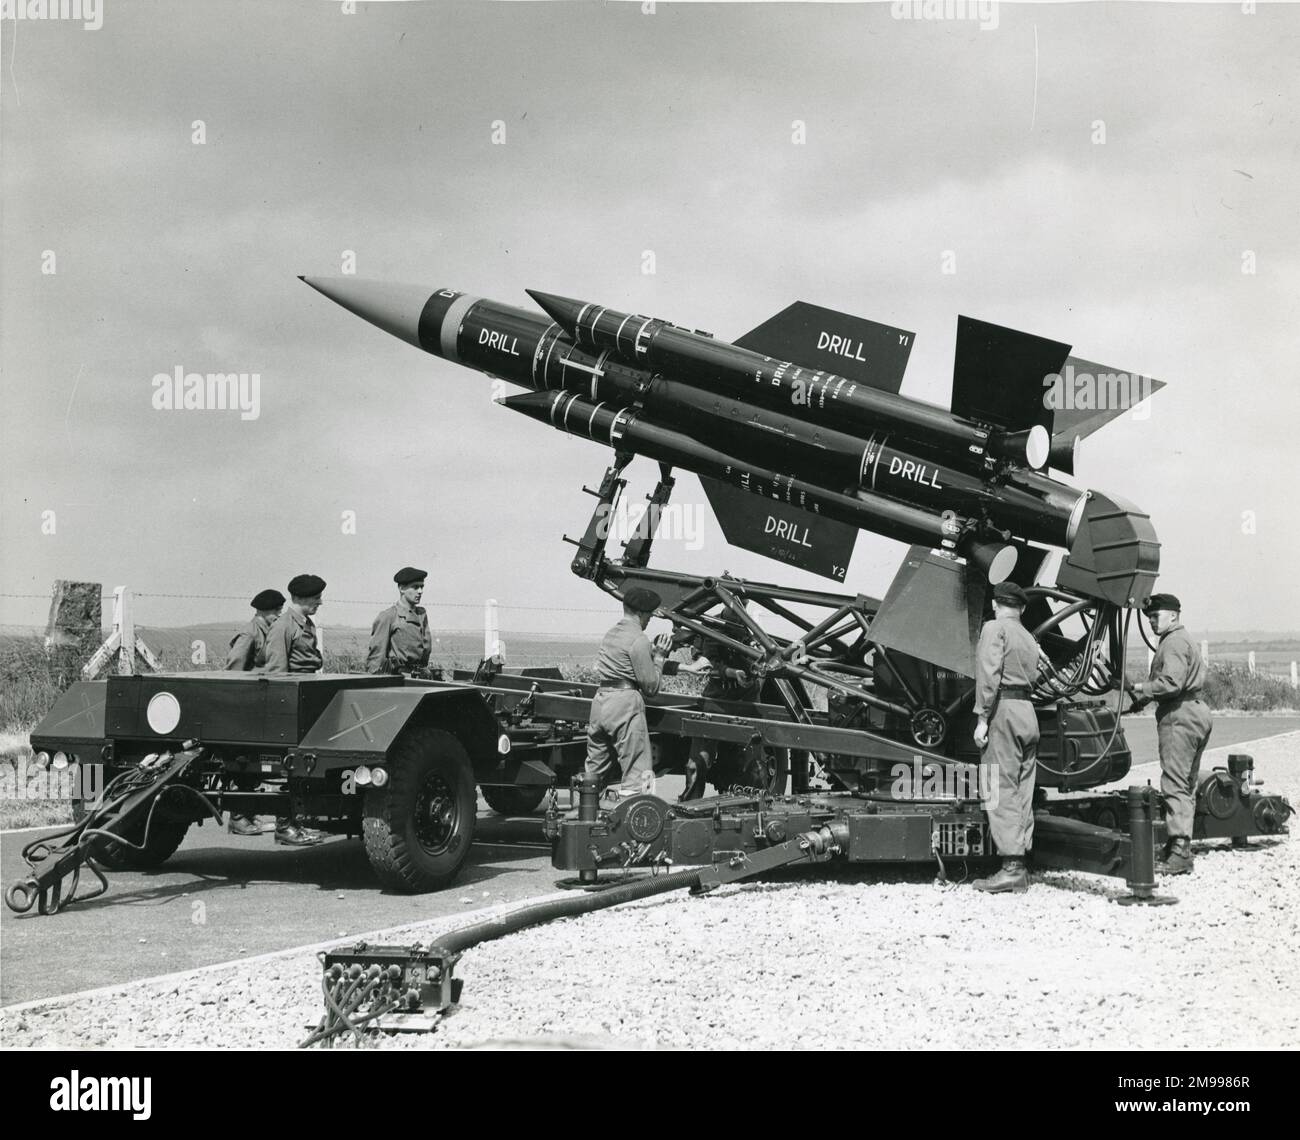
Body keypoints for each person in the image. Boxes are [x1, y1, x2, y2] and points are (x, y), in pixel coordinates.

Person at [1127, 592, 1211, 875]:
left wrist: (1138, 688)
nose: (1151, 621)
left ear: (1173, 616)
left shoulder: (1173, 642)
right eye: (1149, 617)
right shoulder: (1181, 638)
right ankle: (1180, 844)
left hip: (1179, 715)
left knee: (1175, 781)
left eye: (1155, 616)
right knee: (1187, 782)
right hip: (1195, 710)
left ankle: (1179, 852)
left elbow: (1171, 684)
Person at [971, 580, 1041, 894]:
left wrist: (982, 718)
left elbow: (989, 674)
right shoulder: (1028, 636)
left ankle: (1011, 867)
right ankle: (1021, 861)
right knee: (1023, 788)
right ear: (1022, 608)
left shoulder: (994, 628)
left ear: (996, 605)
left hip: (1004, 710)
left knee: (997, 783)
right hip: (1028, 711)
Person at [584, 587, 671, 800]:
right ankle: (637, 819)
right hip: (625, 703)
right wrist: (659, 657)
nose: (650, 619)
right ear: (641, 613)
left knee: (595, 769)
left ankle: (586, 815)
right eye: (649, 615)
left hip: (601, 702)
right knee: (638, 769)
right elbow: (651, 687)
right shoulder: (638, 639)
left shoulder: (612, 634)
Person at [263, 574, 327, 845]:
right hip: (291, 704)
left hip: (308, 699)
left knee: (306, 771)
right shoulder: (283, 627)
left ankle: (299, 824)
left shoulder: (305, 624)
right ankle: (285, 826)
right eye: (315, 598)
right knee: (290, 770)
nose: (320, 602)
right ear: (300, 598)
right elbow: (277, 673)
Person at [674, 617, 767, 799]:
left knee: (753, 763)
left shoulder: (750, 626)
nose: (742, 603)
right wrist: (732, 673)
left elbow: (763, 661)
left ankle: (753, 807)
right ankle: (690, 805)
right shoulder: (713, 627)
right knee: (698, 760)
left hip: (746, 698)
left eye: (745, 600)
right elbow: (707, 664)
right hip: (718, 698)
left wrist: (757, 669)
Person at [224, 588, 285, 835]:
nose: (278, 616)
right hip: (245, 707)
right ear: (262, 612)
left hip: (260, 706)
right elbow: (234, 670)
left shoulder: (267, 631)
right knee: (243, 765)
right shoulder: (249, 634)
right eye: (274, 612)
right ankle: (239, 818)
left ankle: (247, 816)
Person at [366, 566, 433, 675]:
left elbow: (425, 650)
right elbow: (376, 658)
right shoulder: (388, 616)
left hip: (419, 677)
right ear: (402, 589)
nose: (420, 591)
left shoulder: (422, 614)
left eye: (422, 587)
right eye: (415, 587)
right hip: (398, 678)